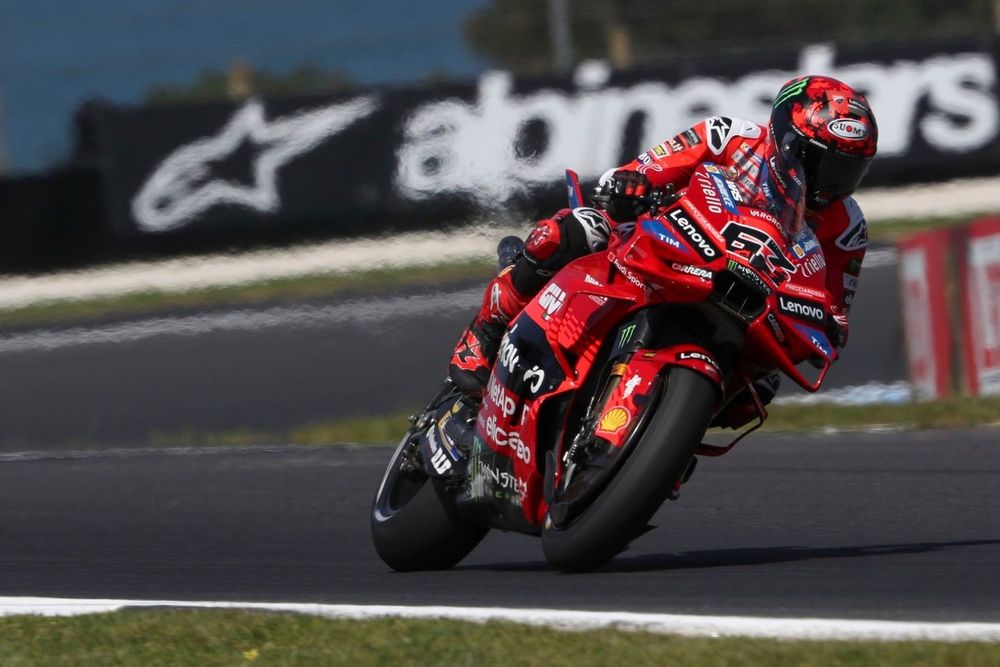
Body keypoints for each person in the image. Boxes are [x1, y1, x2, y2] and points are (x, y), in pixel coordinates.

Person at [449, 75, 878, 425]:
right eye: (820, 162)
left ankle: (659, 441)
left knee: (757, 390)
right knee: (576, 230)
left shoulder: (848, 226)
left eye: (847, 171)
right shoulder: (729, 137)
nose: (829, 182)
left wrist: (827, 324)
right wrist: (632, 186)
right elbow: (639, 172)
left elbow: (835, 312)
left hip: (744, 297)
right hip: (659, 245)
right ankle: (485, 333)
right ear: (787, 137)